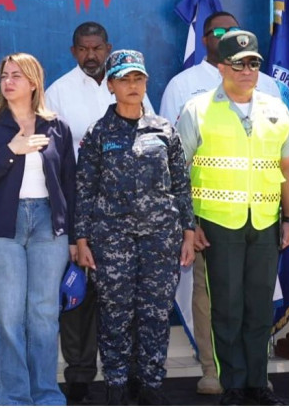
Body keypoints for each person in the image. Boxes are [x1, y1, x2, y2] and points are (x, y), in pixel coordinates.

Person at [159, 11, 282, 395]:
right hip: (211, 223)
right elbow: (176, 164)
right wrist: (188, 222)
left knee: (256, 306)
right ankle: (219, 375)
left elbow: (288, 160)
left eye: (252, 62)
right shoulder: (186, 90)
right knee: (216, 304)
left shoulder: (273, 95)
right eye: (220, 33)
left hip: (261, 220)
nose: (247, 68)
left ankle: (256, 382)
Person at [74, 50, 195, 406]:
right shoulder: (98, 133)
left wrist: (188, 233)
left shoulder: (164, 130)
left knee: (155, 314)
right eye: (124, 79)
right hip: (111, 241)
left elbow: (181, 187)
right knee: (114, 314)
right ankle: (116, 385)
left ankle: (151, 385)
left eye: (138, 78)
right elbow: (84, 189)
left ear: (146, 82)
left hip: (160, 239)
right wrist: (81, 239)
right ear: (110, 85)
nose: (132, 85)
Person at [44, 21, 152, 404]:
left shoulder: (131, 87)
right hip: (81, 206)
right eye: (83, 49)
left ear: (107, 48)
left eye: (97, 48)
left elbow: (150, 141)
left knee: (125, 299)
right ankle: (78, 377)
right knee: (80, 296)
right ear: (74, 52)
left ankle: (124, 375)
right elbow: (53, 159)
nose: (91, 55)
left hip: (129, 217)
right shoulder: (57, 92)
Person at [0, 52, 76, 406]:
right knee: (11, 317)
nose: (8, 81)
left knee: (44, 315)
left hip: (48, 224)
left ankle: (46, 394)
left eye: (17, 75)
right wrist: (11, 151)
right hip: (3, 228)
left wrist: (72, 236)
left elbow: (69, 185)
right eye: (4, 75)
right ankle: (13, 397)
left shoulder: (56, 127)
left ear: (33, 82)